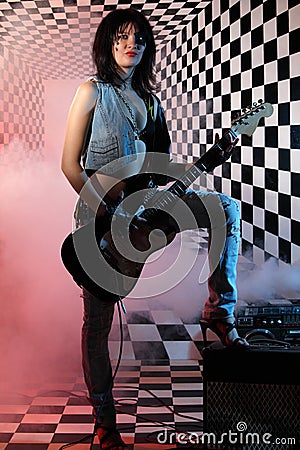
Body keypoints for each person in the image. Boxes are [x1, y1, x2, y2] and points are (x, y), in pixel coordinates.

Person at [61, 7, 249, 449]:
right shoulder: (91, 92)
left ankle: (219, 312)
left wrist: (207, 162)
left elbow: (160, 170)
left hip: (147, 208)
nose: (132, 44)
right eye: (123, 37)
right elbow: (71, 166)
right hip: (102, 220)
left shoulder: (151, 102)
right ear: (108, 44)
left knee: (225, 208)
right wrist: (114, 208)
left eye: (140, 39)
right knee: (96, 324)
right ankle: (105, 423)